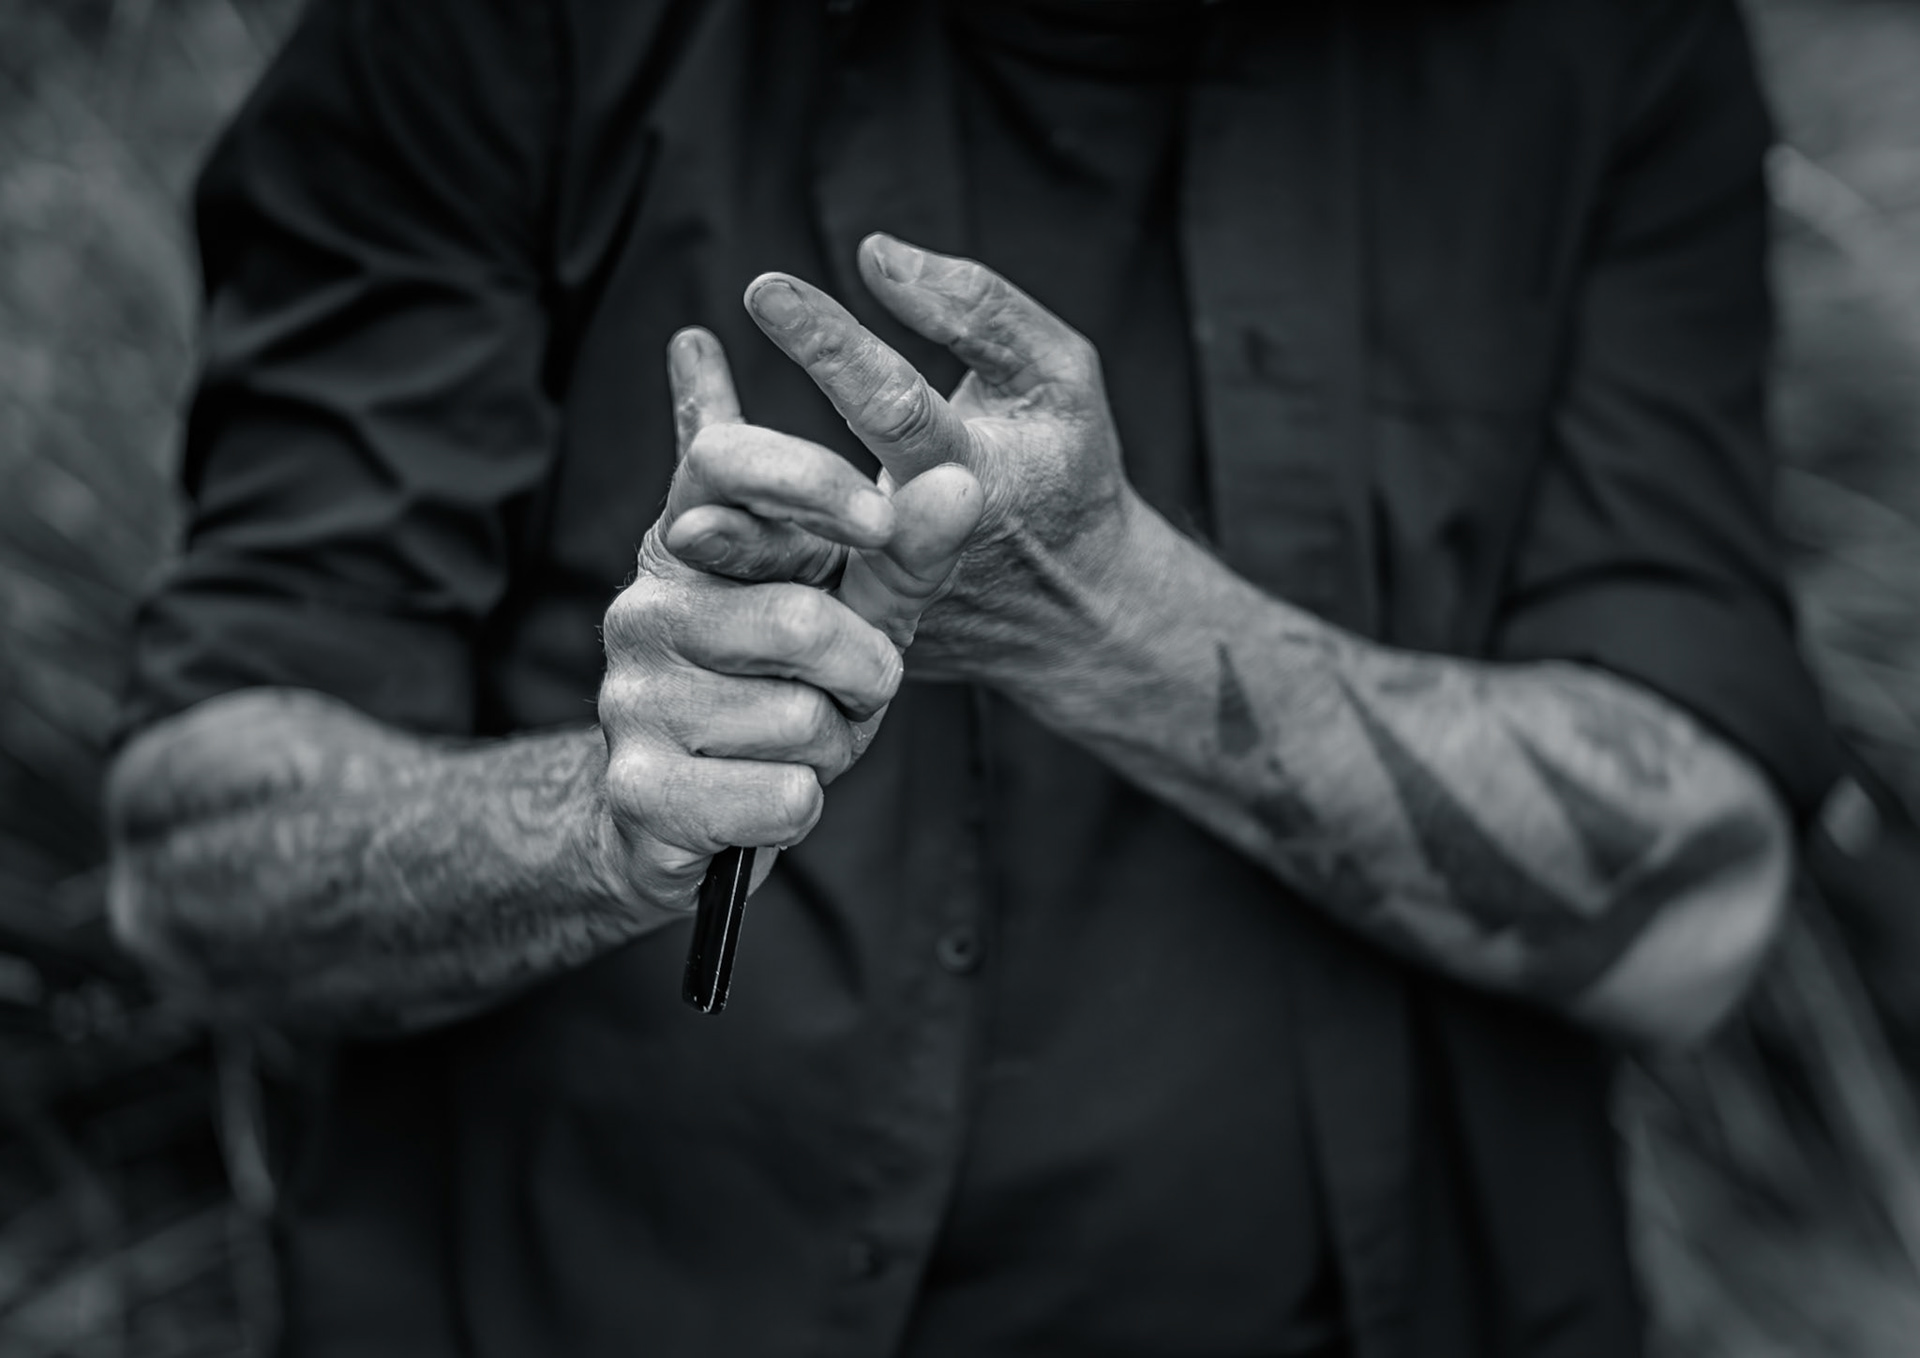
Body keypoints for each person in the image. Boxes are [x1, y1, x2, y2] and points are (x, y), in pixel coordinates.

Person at [104, 0, 1841, 1354]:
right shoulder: (517, 34)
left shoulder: (1601, 45)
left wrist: (1112, 619)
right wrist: (594, 819)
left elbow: (1696, 909)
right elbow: (198, 861)